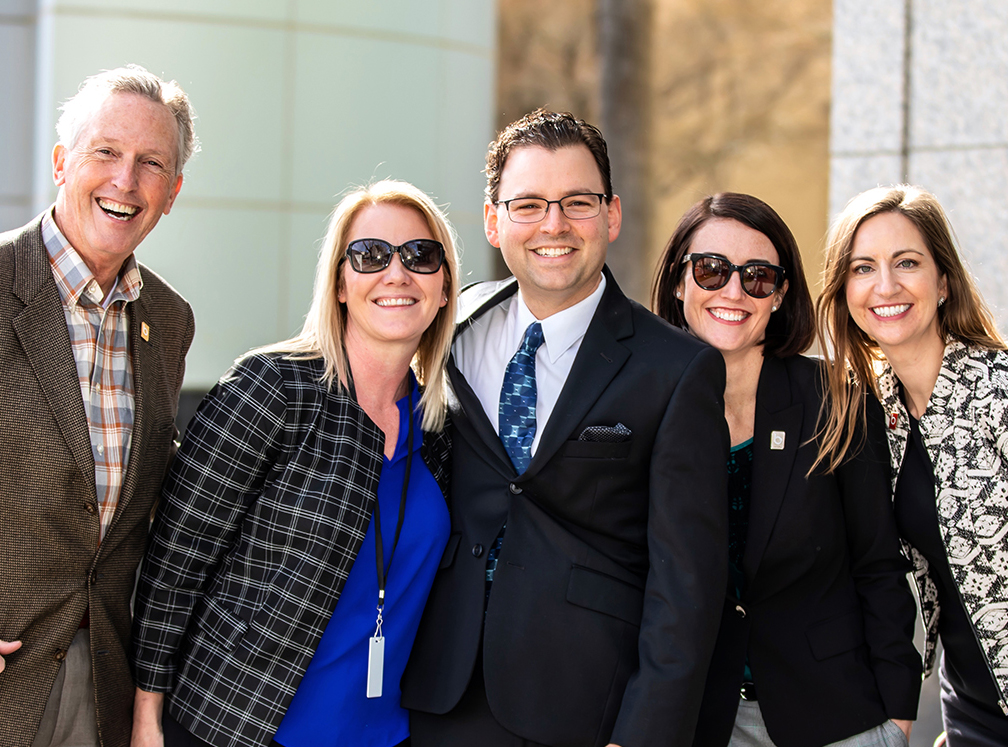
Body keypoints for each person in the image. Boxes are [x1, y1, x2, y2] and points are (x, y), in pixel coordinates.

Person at [401, 108, 730, 747]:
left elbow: (685, 585)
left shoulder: (677, 369)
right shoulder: (445, 327)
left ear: (611, 215)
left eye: (577, 202)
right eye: (528, 204)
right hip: (437, 693)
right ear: (494, 222)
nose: (554, 224)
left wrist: (645, 733)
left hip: (584, 707)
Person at [129, 179, 459, 747]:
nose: (397, 274)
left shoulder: (441, 428)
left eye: (420, 256)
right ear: (338, 283)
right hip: (236, 728)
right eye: (370, 255)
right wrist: (145, 719)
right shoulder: (274, 388)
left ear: (445, 286)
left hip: (386, 735)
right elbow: (174, 564)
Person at [652, 192, 922, 747]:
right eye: (710, 270)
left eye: (757, 277)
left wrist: (897, 713)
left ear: (779, 295)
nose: (733, 291)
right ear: (679, 283)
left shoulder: (837, 395)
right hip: (691, 718)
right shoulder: (639, 403)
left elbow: (878, 561)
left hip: (837, 716)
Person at [0, 65, 197, 747]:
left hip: (100, 680)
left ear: (171, 193)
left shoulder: (168, 320)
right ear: (61, 162)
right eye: (105, 152)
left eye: (151, 164)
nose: (125, 181)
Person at [818, 184, 1008, 746]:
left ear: (943, 280)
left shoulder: (998, 393)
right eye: (863, 268)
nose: (886, 286)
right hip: (971, 710)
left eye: (907, 263)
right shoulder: (872, 412)